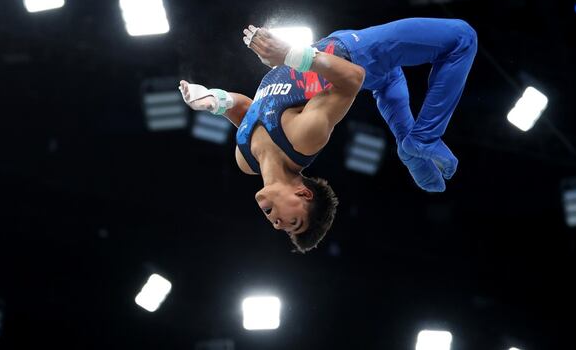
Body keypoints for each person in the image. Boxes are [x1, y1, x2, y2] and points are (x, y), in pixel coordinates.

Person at [179, 18, 477, 252]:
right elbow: (353, 79)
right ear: (304, 193)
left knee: (388, 79)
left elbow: (249, 110)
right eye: (294, 223)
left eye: (282, 228)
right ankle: (423, 138)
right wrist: (289, 54)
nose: (277, 225)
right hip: (358, 53)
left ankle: (410, 150)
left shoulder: (245, 160)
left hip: (351, 58)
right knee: (462, 38)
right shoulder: (303, 138)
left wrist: (215, 101)